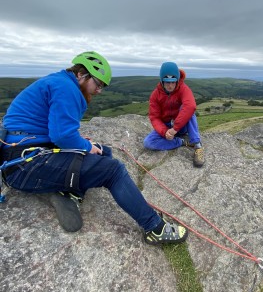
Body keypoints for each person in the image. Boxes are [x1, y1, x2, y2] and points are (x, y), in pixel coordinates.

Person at [0, 51, 188, 244]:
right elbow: (62, 136)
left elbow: (56, 129)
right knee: (113, 170)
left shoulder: (61, 83)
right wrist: (84, 146)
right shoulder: (66, 88)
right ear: (82, 74)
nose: (99, 91)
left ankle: (70, 191)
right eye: (97, 84)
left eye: (102, 87)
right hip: (24, 164)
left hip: (30, 152)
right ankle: (155, 228)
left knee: (104, 152)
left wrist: (86, 144)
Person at [143, 61, 205, 168]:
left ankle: (197, 145)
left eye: (173, 81)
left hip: (181, 126)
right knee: (148, 143)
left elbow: (191, 106)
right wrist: (165, 131)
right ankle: (181, 142)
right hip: (167, 126)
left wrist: (176, 128)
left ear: (177, 80)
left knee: (187, 109)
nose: (170, 85)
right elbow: (154, 117)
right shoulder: (155, 95)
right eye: (167, 82)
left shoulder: (183, 89)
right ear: (162, 81)